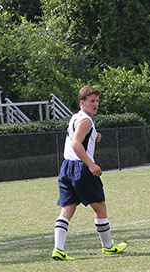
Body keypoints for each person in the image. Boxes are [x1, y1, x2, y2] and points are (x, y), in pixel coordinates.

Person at [50, 85, 127, 260]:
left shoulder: (76, 118)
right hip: (81, 169)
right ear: (82, 102)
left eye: (97, 101)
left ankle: (58, 249)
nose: (95, 104)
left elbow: (77, 137)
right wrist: (91, 164)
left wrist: (94, 136)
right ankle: (108, 247)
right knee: (100, 208)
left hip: (67, 167)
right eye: (92, 101)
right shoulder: (86, 121)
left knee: (67, 208)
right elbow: (76, 143)